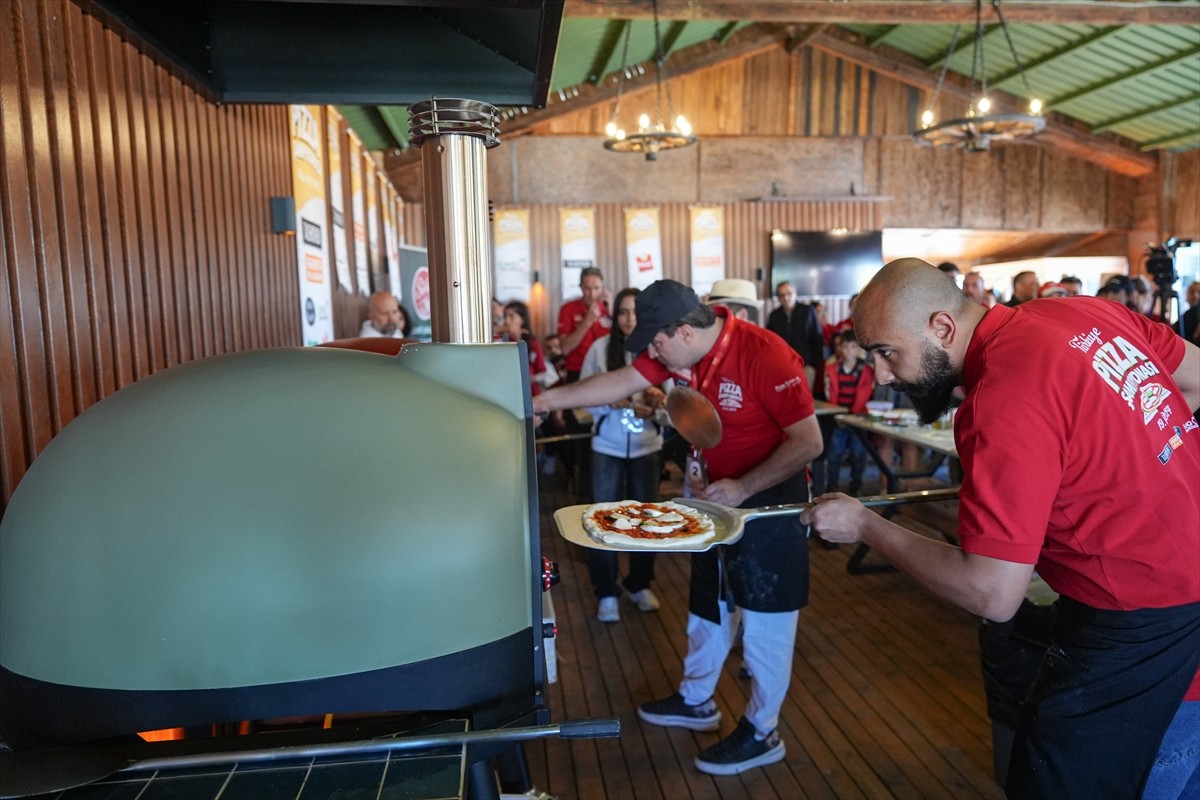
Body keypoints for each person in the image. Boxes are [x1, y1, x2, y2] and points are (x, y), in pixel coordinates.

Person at [801, 258, 1200, 800]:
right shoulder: (1086, 314)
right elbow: (1192, 383)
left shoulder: (1000, 399)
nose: (883, 376)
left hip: (1137, 635)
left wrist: (865, 525)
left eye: (886, 352)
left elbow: (992, 592)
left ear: (942, 327)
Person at [534, 280, 823, 776]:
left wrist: (743, 485)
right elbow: (620, 381)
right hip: (716, 498)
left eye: (656, 342)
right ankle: (697, 699)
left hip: (770, 504)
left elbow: (808, 441)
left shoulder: (765, 354)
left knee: (765, 622)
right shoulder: (679, 352)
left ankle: (763, 729)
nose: (651, 352)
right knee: (707, 604)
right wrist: (538, 402)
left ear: (685, 331)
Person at [579, 288, 665, 623]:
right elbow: (583, 396)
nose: (630, 319)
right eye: (623, 312)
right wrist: (606, 402)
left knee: (648, 520)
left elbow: (675, 404)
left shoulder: (658, 349)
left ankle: (639, 584)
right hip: (607, 447)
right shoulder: (600, 349)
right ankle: (606, 591)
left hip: (647, 447)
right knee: (603, 520)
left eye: (635, 312)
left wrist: (654, 409)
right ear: (614, 317)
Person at [821, 330, 874, 496]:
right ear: (840, 348)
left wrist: (853, 416)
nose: (849, 350)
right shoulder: (831, 369)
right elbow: (830, 394)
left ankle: (855, 487)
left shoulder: (866, 370)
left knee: (858, 455)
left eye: (853, 347)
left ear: (858, 349)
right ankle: (832, 487)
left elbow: (865, 394)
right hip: (839, 419)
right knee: (834, 455)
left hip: (858, 419)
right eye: (845, 346)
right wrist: (838, 414)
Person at [558, 266, 612, 382]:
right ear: (581, 288)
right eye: (587, 289)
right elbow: (565, 349)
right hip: (577, 371)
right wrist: (587, 321)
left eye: (597, 288)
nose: (592, 294)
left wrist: (613, 313)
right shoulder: (568, 309)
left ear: (603, 289)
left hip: (606, 370)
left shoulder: (610, 309)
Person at [766, 281, 824, 389]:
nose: (786, 297)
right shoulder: (774, 316)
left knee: (804, 398)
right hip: (782, 366)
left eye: (789, 293)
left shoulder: (808, 311)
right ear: (778, 298)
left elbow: (817, 337)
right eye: (781, 295)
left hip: (806, 365)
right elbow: (770, 342)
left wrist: (814, 363)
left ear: (795, 294)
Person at [502, 301, 555, 395]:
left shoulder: (532, 343)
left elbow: (541, 370)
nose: (507, 321)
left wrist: (529, 378)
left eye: (511, 316)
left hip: (530, 392)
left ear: (522, 319)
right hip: (508, 390)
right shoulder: (503, 342)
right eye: (505, 316)